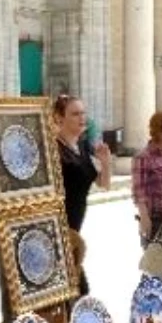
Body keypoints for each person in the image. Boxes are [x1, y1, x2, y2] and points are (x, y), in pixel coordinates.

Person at [54, 94, 112, 295]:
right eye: (75, 114)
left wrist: (105, 162)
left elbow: (104, 184)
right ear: (60, 118)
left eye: (83, 113)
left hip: (76, 229)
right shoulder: (54, 149)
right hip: (59, 229)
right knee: (78, 290)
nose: (82, 118)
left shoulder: (83, 147)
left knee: (73, 291)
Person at [131, 111, 162, 248]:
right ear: (160, 133)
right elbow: (139, 192)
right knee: (156, 265)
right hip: (156, 219)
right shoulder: (143, 157)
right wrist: (145, 219)